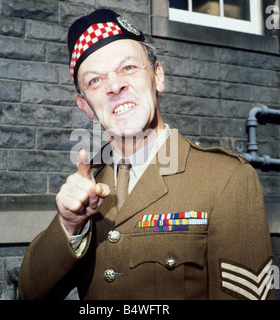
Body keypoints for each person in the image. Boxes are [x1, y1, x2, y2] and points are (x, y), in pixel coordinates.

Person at [18, 9, 275, 300]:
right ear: (86, 106)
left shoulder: (226, 179)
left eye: (128, 68)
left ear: (158, 76)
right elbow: (29, 294)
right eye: (95, 81)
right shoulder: (87, 190)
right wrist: (70, 225)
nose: (115, 86)